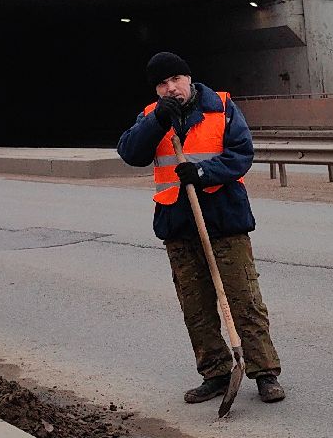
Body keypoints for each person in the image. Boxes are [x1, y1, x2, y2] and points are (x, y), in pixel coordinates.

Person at [117, 52, 284, 405]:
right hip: (178, 223)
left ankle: (264, 371)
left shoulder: (220, 106)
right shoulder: (152, 115)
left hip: (223, 218)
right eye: (162, 84)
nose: (170, 88)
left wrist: (204, 173)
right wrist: (157, 122)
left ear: (188, 78)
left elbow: (241, 152)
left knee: (244, 299)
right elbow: (130, 152)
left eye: (175, 79)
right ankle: (216, 373)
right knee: (196, 306)